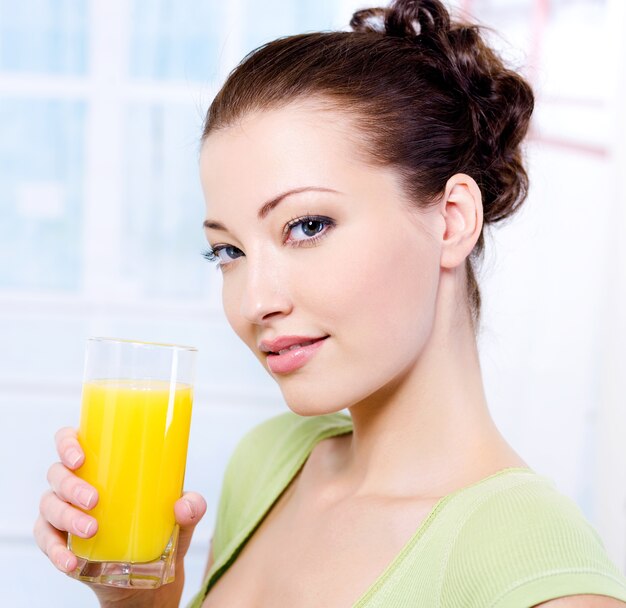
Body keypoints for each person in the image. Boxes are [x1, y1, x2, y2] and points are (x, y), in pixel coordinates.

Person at [34, 0, 626, 606]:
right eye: (228, 252)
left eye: (308, 225)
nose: (255, 302)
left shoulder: (529, 566)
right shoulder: (269, 465)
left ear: (451, 221)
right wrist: (138, 601)